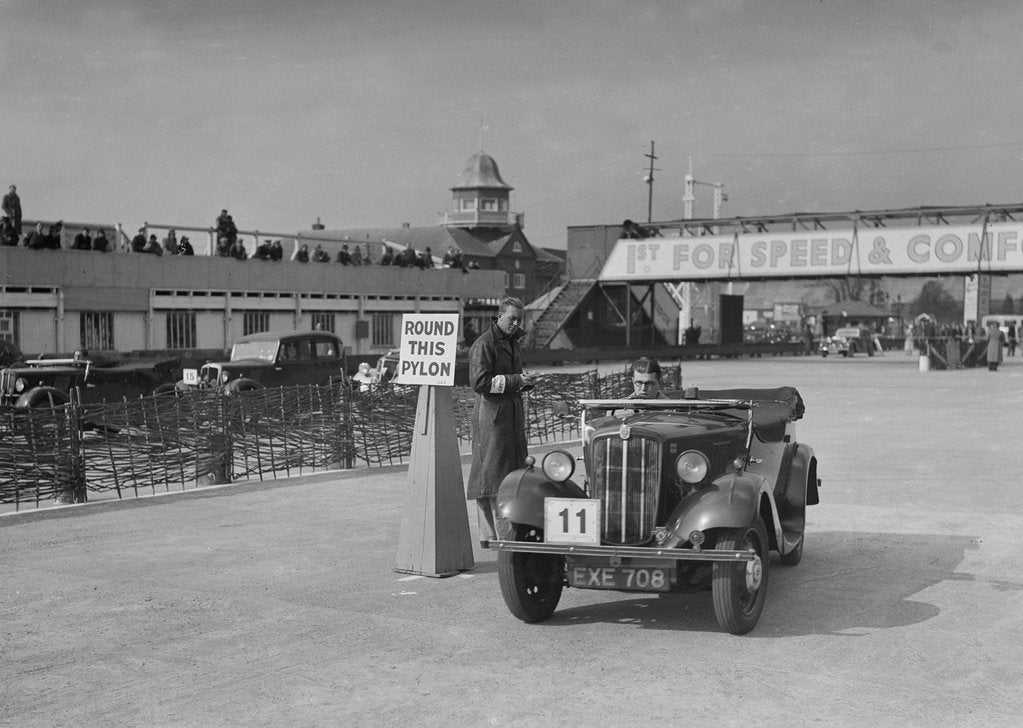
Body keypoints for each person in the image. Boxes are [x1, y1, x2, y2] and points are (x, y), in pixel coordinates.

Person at [466, 297, 535, 546]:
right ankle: (492, 535)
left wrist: (525, 381)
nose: (516, 323)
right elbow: (480, 383)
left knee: (508, 471)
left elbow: (512, 378)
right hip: (492, 418)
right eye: (512, 318)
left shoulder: (511, 342)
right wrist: (518, 380)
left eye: (519, 319)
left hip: (509, 414)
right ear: (499, 316)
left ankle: (500, 533)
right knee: (492, 475)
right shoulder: (484, 344)